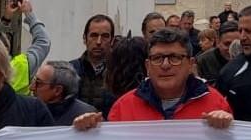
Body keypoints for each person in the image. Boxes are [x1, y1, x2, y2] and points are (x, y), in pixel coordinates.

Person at [73, 28, 232, 126]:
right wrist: (91, 133)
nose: (165, 65)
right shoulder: (124, 107)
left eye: (174, 58)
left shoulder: (215, 103)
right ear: (148, 66)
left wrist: (227, 129)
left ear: (190, 64)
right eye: (157, 58)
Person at [0, 0, 50, 96]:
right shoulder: (20, 66)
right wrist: (29, 14)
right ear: (6, 48)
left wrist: (6, 19)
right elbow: (43, 41)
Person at [70, 14, 117, 116]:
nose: (99, 42)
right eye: (94, 35)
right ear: (84, 38)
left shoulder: (119, 72)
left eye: (105, 36)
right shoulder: (69, 70)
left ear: (112, 40)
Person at [31, 61, 98, 125]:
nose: (31, 87)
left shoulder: (87, 118)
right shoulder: (29, 110)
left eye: (38, 83)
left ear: (57, 90)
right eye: (33, 80)